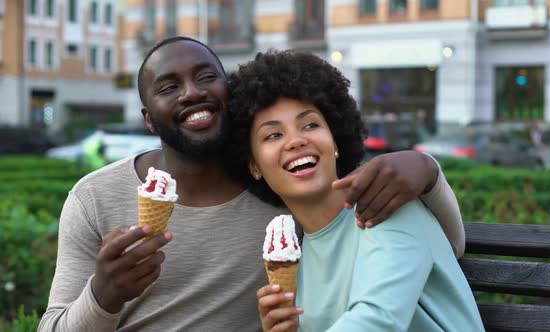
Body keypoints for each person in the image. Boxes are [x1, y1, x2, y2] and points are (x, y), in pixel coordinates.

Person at [39, 37, 465, 331]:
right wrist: (104, 294)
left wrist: (426, 171)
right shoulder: (94, 198)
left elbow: (429, 253)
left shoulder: (289, 207)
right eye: (168, 87)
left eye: (206, 76)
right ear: (148, 118)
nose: (191, 93)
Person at [228, 50, 484, 331]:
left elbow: (379, 320)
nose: (296, 141)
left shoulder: (386, 205)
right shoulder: (293, 264)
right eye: (273, 135)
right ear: (254, 166)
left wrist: (428, 167)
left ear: (335, 141)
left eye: (310, 124)